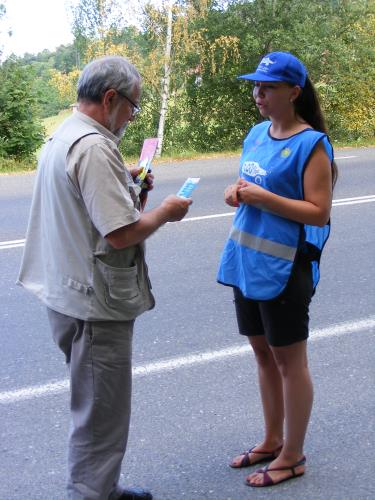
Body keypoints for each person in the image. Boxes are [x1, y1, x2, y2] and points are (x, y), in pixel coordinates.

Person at [17, 55, 192, 500]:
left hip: (66, 292)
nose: (133, 116)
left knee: (96, 405)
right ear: (110, 98)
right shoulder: (95, 147)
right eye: (132, 105)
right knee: (100, 413)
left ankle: (103, 487)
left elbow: (87, 206)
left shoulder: (65, 133)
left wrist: (126, 183)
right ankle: (91, 493)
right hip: (94, 304)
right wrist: (164, 213)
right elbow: (120, 234)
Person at [217, 51, 337, 488]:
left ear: (293, 92)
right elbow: (252, 186)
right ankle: (270, 440)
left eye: (267, 87)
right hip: (248, 262)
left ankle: (293, 454)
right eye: (256, 85)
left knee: (290, 363)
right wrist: (236, 192)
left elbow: (318, 213)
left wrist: (262, 198)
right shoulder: (256, 134)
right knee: (262, 355)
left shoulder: (312, 144)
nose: (258, 94)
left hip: (286, 268)